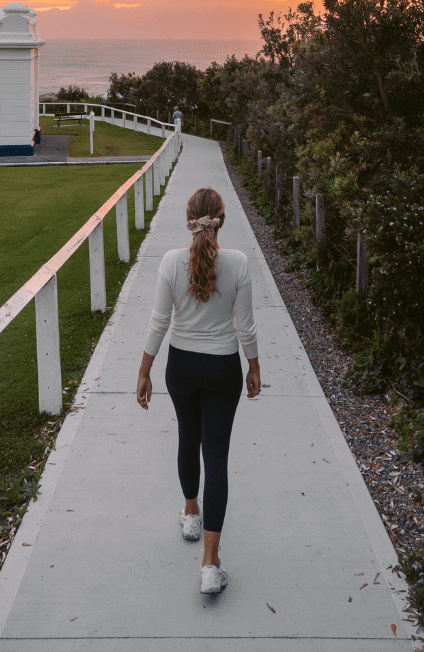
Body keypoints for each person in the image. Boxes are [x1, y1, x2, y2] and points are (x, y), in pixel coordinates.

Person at [136, 186, 260, 595]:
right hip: (223, 368)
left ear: (188, 219)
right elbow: (245, 327)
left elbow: (158, 321)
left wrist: (144, 370)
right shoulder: (238, 264)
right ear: (221, 219)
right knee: (217, 457)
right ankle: (210, 563)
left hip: (181, 367)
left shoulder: (171, 263)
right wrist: (254, 365)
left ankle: (191, 512)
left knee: (187, 438)